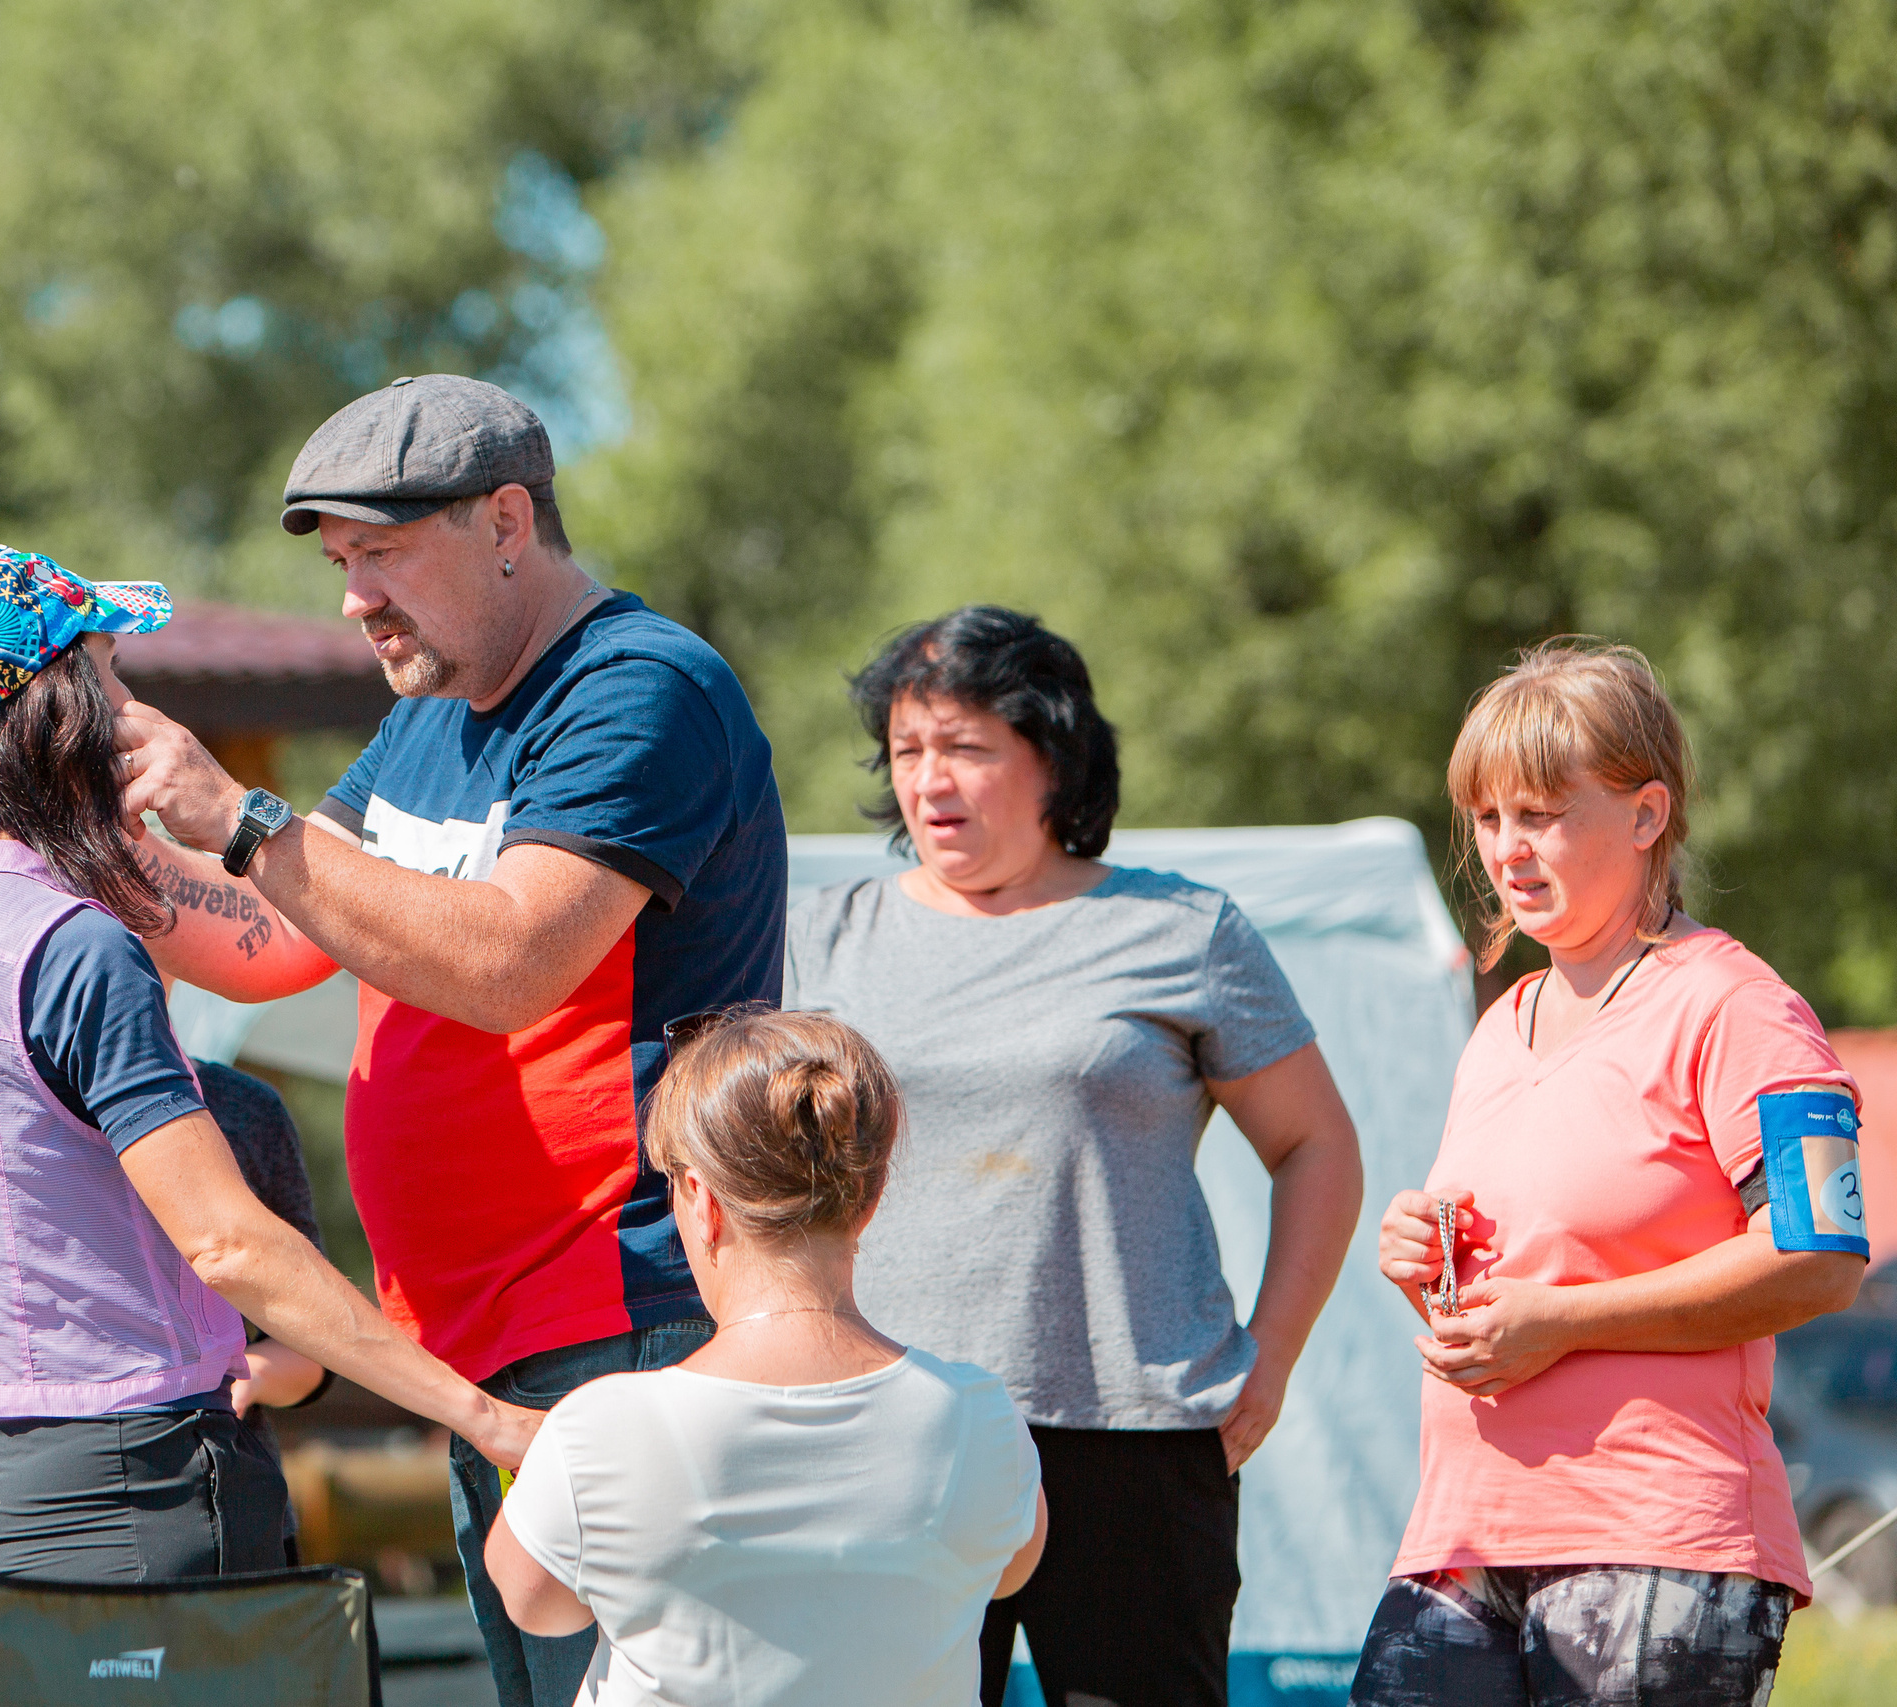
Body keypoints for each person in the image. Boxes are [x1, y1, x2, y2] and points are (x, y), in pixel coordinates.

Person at [109, 375, 788, 1706]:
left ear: (508, 521)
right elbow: (279, 932)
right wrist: (90, 857)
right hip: (490, 1344)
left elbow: (507, 962)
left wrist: (241, 814)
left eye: (381, 552)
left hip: (630, 1311)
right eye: (342, 560)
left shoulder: (641, 688)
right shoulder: (433, 703)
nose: (352, 596)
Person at [0, 545, 537, 1598]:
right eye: (113, 672)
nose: (133, 702)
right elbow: (227, 1242)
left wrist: (13, 1196)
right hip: (142, 1483)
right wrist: (486, 1418)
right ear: (63, 708)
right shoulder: (76, 944)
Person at [782, 606, 1364, 1707]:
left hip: (1135, 1436)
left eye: (964, 748)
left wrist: (1273, 1355)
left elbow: (1316, 1144)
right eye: (908, 751)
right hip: (888, 1422)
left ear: (1052, 759)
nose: (928, 781)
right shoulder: (821, 937)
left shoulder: (1182, 930)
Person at [1353, 641, 1864, 1706]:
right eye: (1487, 818)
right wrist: (1425, 1258)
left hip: (1659, 1537)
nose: (1506, 848)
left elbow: (1819, 1259)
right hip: (1464, 1534)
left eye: (1541, 813)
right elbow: (1535, 1266)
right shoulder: (1499, 1025)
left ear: (1645, 815)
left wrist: (1566, 1322)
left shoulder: (1737, 1006)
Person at [484, 1007, 1047, 1707]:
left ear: (702, 1201)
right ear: (868, 1202)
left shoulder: (602, 1428)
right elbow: (1012, 1568)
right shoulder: (981, 1418)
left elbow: (529, 1598)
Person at [0, 1054, 333, 1561]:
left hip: (223, 1515)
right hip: (29, 1521)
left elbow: (316, 1344)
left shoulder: (244, 1108)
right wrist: (79, 1415)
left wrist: (250, 1374)